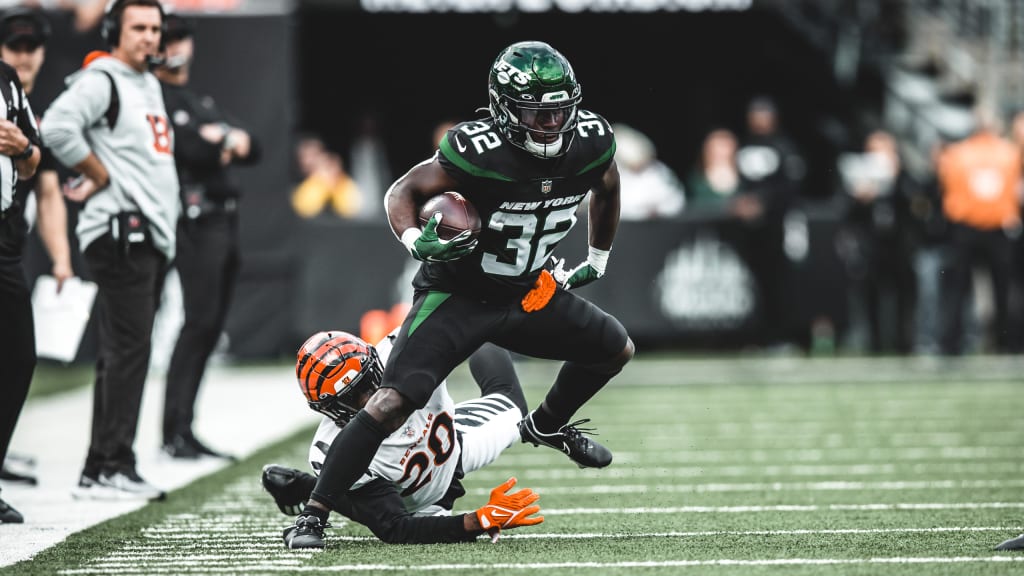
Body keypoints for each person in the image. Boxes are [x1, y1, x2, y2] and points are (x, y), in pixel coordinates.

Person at [283, 40, 633, 545]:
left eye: (560, 111)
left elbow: (609, 184)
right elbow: (401, 192)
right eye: (538, 114)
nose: (552, 124)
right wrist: (412, 240)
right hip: (459, 294)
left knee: (614, 348)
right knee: (389, 404)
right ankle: (313, 514)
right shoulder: (477, 151)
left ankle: (547, 425)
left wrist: (597, 258)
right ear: (505, 110)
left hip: (528, 290)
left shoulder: (591, 141)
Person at [41, 0, 178, 500]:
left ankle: (104, 465)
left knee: (128, 353)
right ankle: (109, 466)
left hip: (146, 235)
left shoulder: (145, 81)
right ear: (113, 31)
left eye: (154, 28)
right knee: (127, 353)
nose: (148, 37)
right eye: (137, 27)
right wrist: (98, 174)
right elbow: (55, 126)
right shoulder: (104, 78)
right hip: (123, 233)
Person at [263, 329, 541, 548]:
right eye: (349, 399)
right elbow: (396, 527)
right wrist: (478, 520)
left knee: (514, 408)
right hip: (416, 503)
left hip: (455, 448)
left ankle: (302, 487)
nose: (369, 400)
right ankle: (307, 487)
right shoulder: (330, 448)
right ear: (328, 409)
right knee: (357, 499)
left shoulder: (407, 348)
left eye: (368, 382)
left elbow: (471, 328)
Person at [154, 13, 260, 460]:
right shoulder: (156, 96)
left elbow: (253, 146)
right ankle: (173, 429)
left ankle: (185, 426)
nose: (175, 45)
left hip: (225, 218)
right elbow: (190, 147)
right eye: (167, 38)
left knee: (210, 326)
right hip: (194, 219)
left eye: (181, 37)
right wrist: (216, 141)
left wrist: (222, 138)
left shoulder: (200, 100)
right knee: (197, 323)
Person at [0, 7, 46, 525]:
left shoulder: (7, 81)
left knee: (18, 358)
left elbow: (37, 160)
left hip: (5, 237)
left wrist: (23, 147)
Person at [936, 106, 1020, 355]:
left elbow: (949, 199)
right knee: (1003, 290)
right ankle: (1005, 344)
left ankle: (950, 345)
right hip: (998, 230)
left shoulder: (957, 153)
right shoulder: (1010, 152)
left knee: (958, 291)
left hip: (966, 229)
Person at [612, 123, 685, 221]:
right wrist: (643, 212)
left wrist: (659, 210)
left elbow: (677, 200)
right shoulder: (613, 175)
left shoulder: (660, 171)